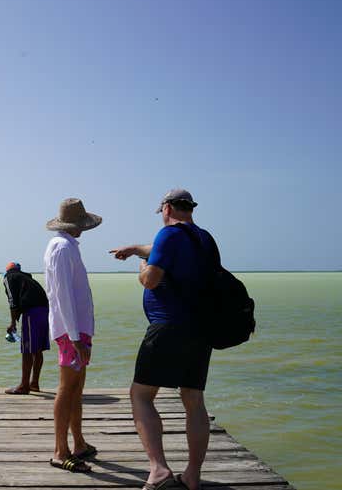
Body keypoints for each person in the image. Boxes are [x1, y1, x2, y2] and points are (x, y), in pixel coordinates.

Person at [110, 189, 219, 490]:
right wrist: (136, 248)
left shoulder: (168, 235)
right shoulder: (204, 238)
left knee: (141, 395)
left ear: (167, 208)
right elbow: (165, 249)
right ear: (190, 208)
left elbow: (151, 280)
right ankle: (192, 476)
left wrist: (142, 268)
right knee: (194, 400)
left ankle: (159, 470)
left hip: (167, 328)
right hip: (201, 329)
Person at [44, 198, 102, 473]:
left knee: (77, 388)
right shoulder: (62, 248)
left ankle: (78, 443)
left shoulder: (68, 246)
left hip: (77, 329)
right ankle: (60, 450)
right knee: (67, 388)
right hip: (71, 332)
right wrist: (75, 338)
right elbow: (62, 295)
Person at [2, 261, 51, 394]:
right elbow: (22, 299)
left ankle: (24, 386)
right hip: (45, 310)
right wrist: (15, 320)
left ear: (7, 271)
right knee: (37, 349)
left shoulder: (9, 277)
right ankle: (34, 383)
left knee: (27, 349)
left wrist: (13, 323)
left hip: (32, 312)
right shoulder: (27, 279)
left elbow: (12, 302)